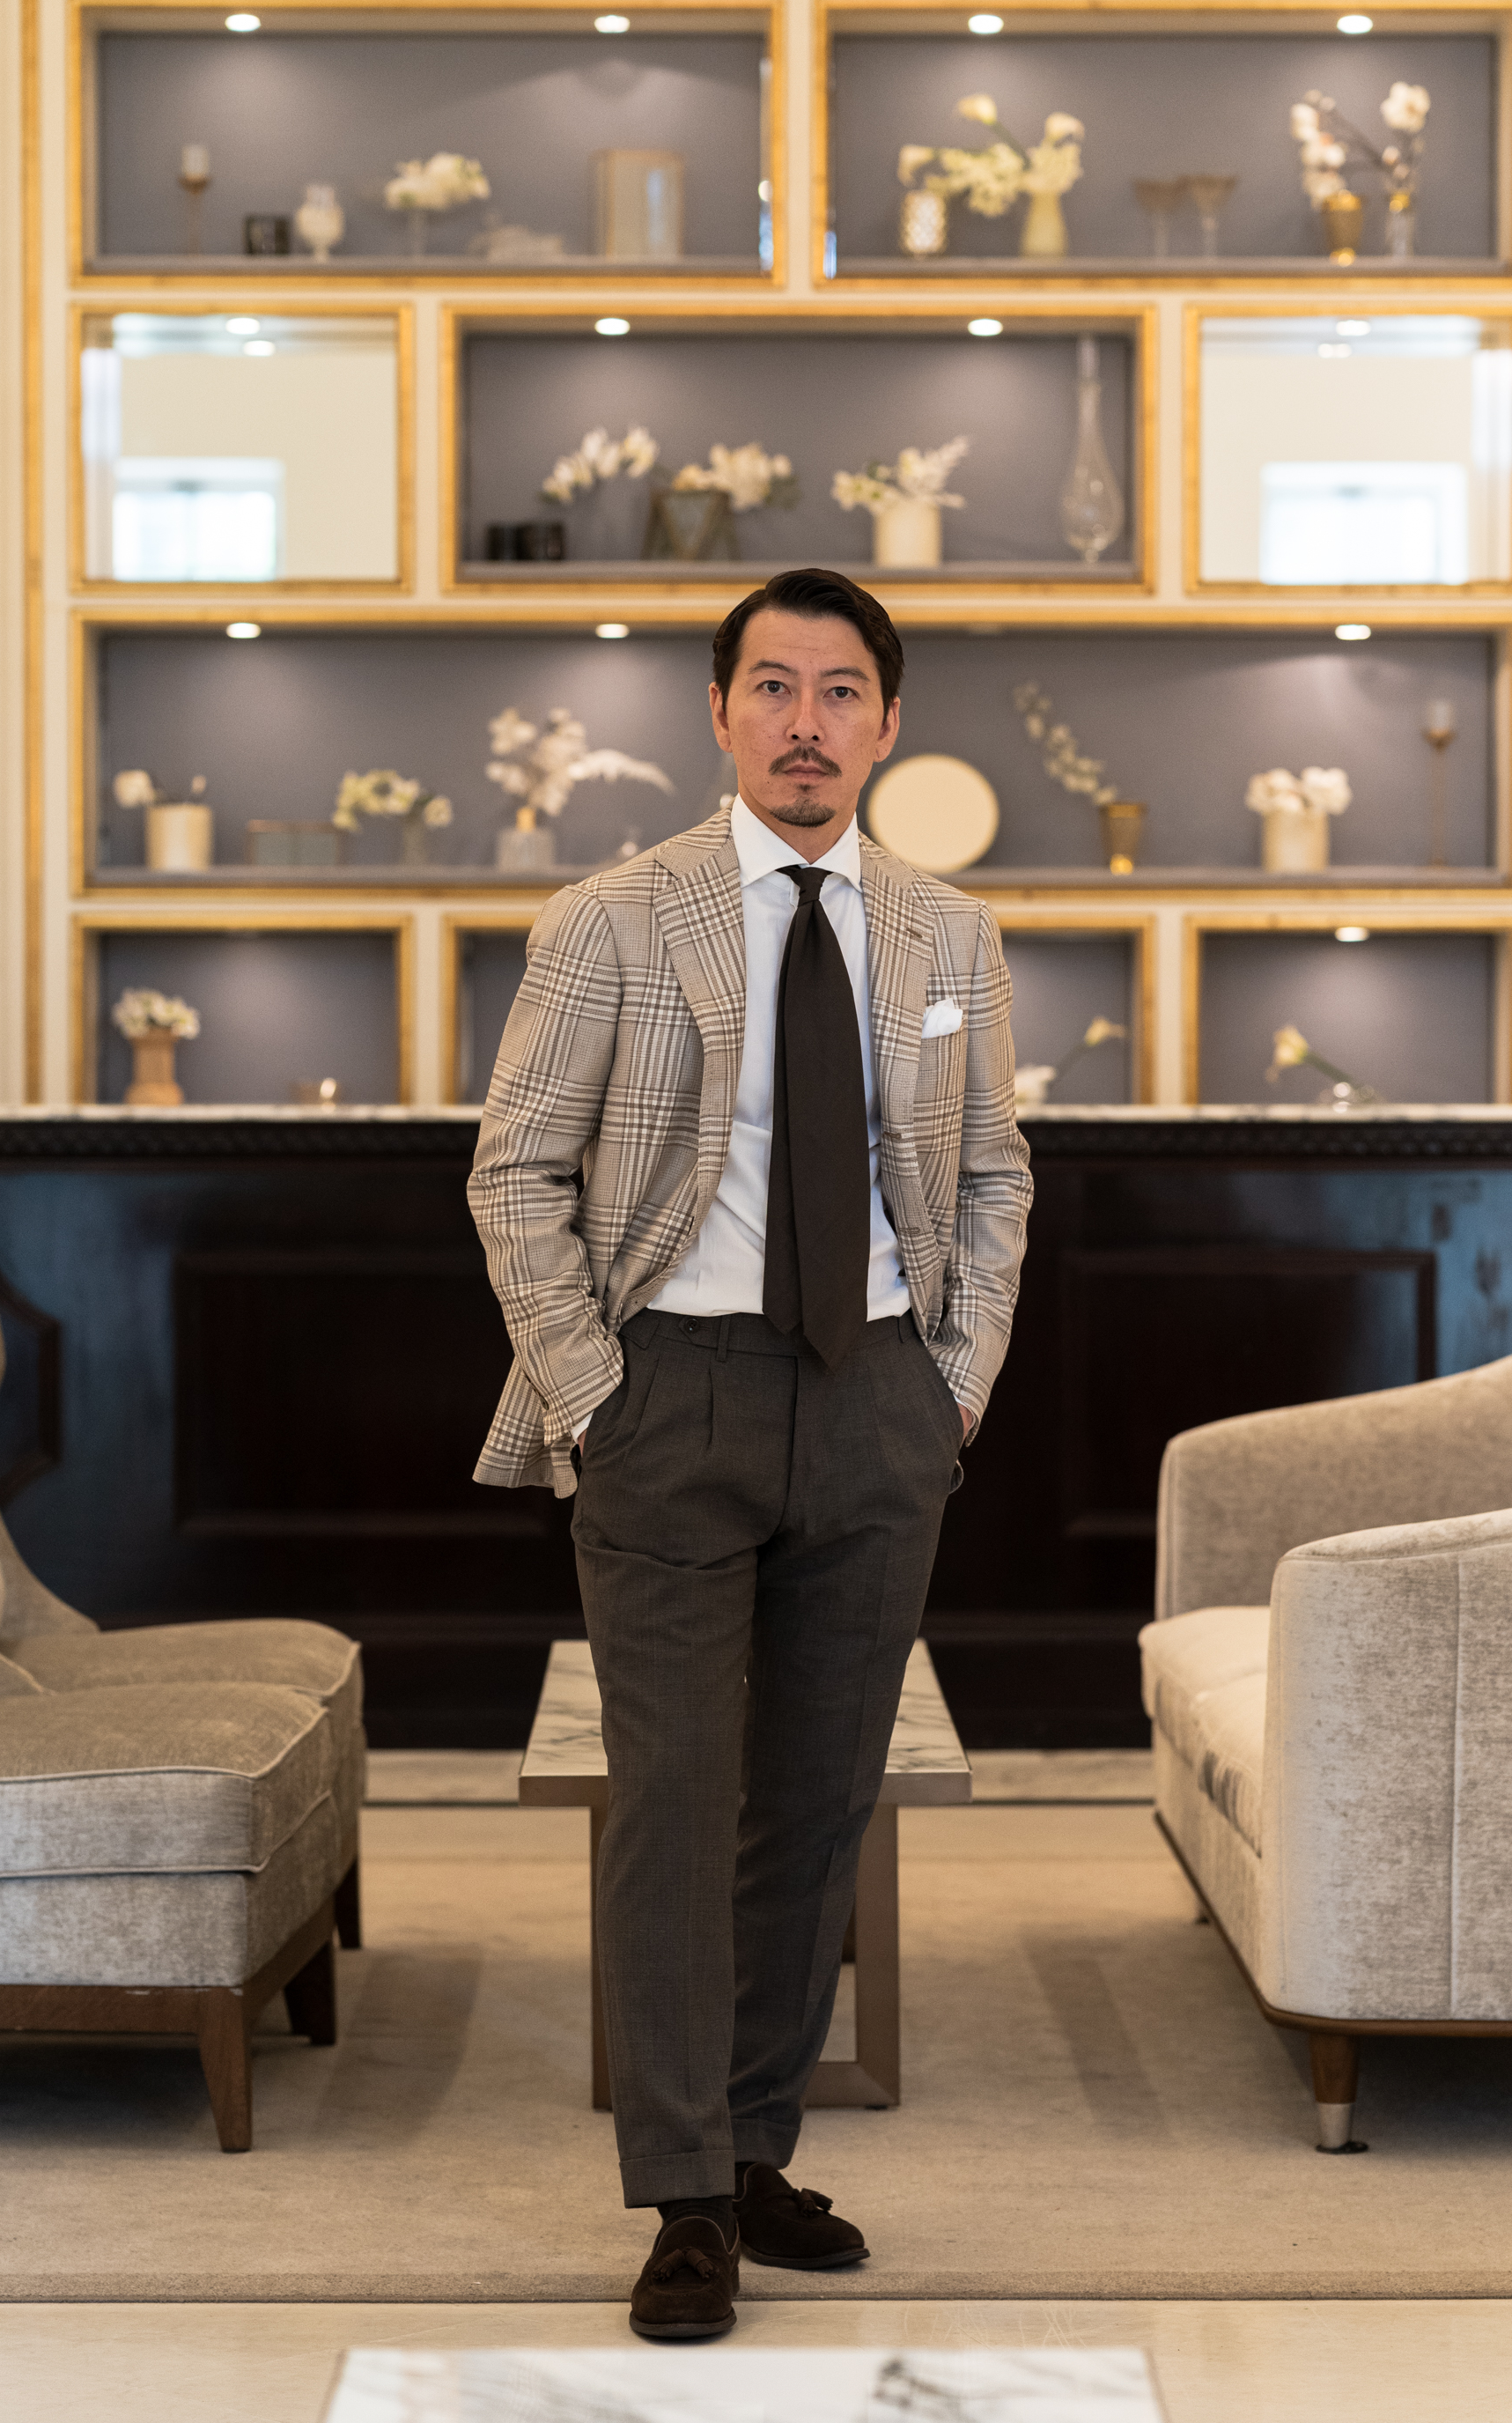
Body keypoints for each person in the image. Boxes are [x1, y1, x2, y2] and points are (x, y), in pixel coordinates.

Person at [468, 566, 1032, 2339]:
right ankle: (684, 2196)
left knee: (817, 1799)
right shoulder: (613, 919)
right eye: (773, 686)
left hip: (879, 1402)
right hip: (672, 1398)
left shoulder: (948, 933)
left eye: (841, 689)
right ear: (718, 713)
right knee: (673, 1802)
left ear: (887, 721)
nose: (807, 722)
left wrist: (953, 1385)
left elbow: (993, 1171)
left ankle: (753, 2140)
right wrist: (593, 1394)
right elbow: (514, 1172)